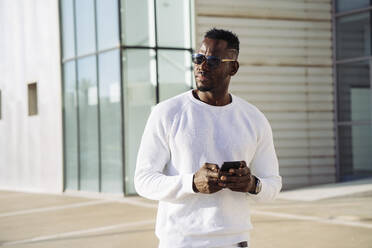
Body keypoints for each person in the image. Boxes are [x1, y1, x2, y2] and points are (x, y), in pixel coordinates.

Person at [134, 28, 282, 248]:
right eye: (198, 58)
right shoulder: (167, 113)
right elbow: (143, 180)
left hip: (234, 240)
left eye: (212, 60)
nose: (202, 66)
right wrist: (191, 183)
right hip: (180, 240)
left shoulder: (254, 119)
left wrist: (252, 184)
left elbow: (273, 183)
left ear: (233, 67)